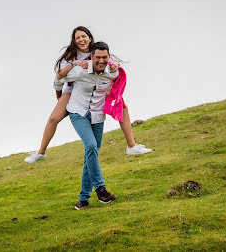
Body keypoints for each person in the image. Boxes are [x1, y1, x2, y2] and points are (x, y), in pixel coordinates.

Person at [24, 26, 151, 164]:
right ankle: (41, 152)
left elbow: (113, 61)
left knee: (123, 107)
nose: (81, 39)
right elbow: (58, 80)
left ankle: (131, 146)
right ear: (74, 40)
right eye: (77, 37)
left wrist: (116, 64)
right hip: (74, 89)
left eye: (84, 36)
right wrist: (60, 98)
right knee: (54, 118)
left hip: (96, 88)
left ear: (90, 38)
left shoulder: (97, 51)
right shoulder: (69, 57)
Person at [61, 41, 117, 209]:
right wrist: (73, 64)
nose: (101, 61)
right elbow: (59, 77)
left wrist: (117, 66)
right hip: (78, 112)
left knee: (91, 154)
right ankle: (101, 190)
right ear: (92, 57)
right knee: (91, 146)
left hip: (98, 115)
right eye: (98, 57)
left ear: (109, 57)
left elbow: (118, 84)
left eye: (104, 57)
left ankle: (83, 199)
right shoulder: (80, 71)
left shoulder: (112, 73)